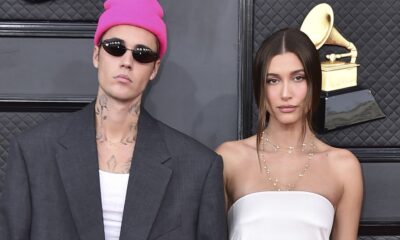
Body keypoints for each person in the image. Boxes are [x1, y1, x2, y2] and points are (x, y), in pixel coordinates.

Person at [0, 0, 227, 239]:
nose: (127, 62)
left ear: (154, 69)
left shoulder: (197, 167)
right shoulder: (33, 152)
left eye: (142, 54)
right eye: (116, 47)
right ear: (97, 54)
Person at [216, 28, 363, 240]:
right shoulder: (229, 159)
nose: (286, 94)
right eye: (273, 80)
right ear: (261, 87)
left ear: (314, 82)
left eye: (298, 78)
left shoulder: (343, 167)